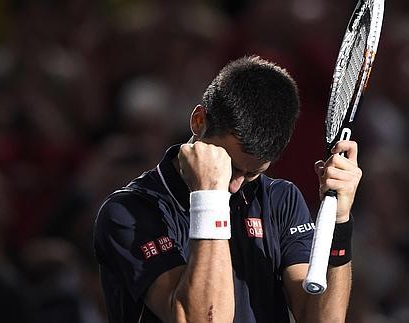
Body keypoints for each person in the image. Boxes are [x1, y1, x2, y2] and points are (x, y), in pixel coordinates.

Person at [93, 56, 362, 322]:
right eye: (230, 166)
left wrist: (340, 223)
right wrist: (210, 197)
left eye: (253, 173)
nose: (234, 186)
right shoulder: (129, 212)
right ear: (199, 121)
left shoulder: (282, 200)